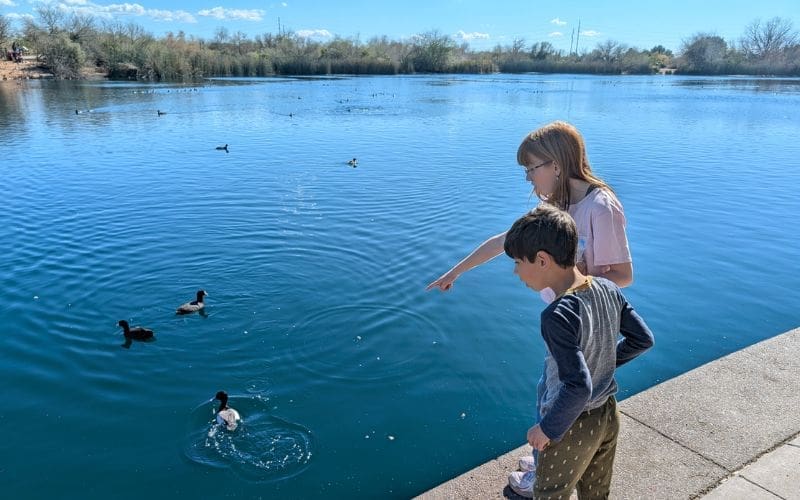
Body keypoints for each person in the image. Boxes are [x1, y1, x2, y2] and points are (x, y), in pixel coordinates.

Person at [502, 205, 654, 498]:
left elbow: (577, 386)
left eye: (519, 262)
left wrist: (547, 429)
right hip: (607, 416)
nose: (516, 270)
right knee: (596, 492)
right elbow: (642, 339)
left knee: (550, 493)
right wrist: (605, 362)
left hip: (572, 427)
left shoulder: (557, 315)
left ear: (542, 260)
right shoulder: (608, 288)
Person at [427, 121, 633, 300]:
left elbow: (623, 275)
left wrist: (577, 286)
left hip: (588, 316)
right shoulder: (556, 205)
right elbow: (502, 241)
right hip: (562, 310)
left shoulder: (600, 208)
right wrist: (454, 273)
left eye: (531, 169)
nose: (528, 178)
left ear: (556, 166)